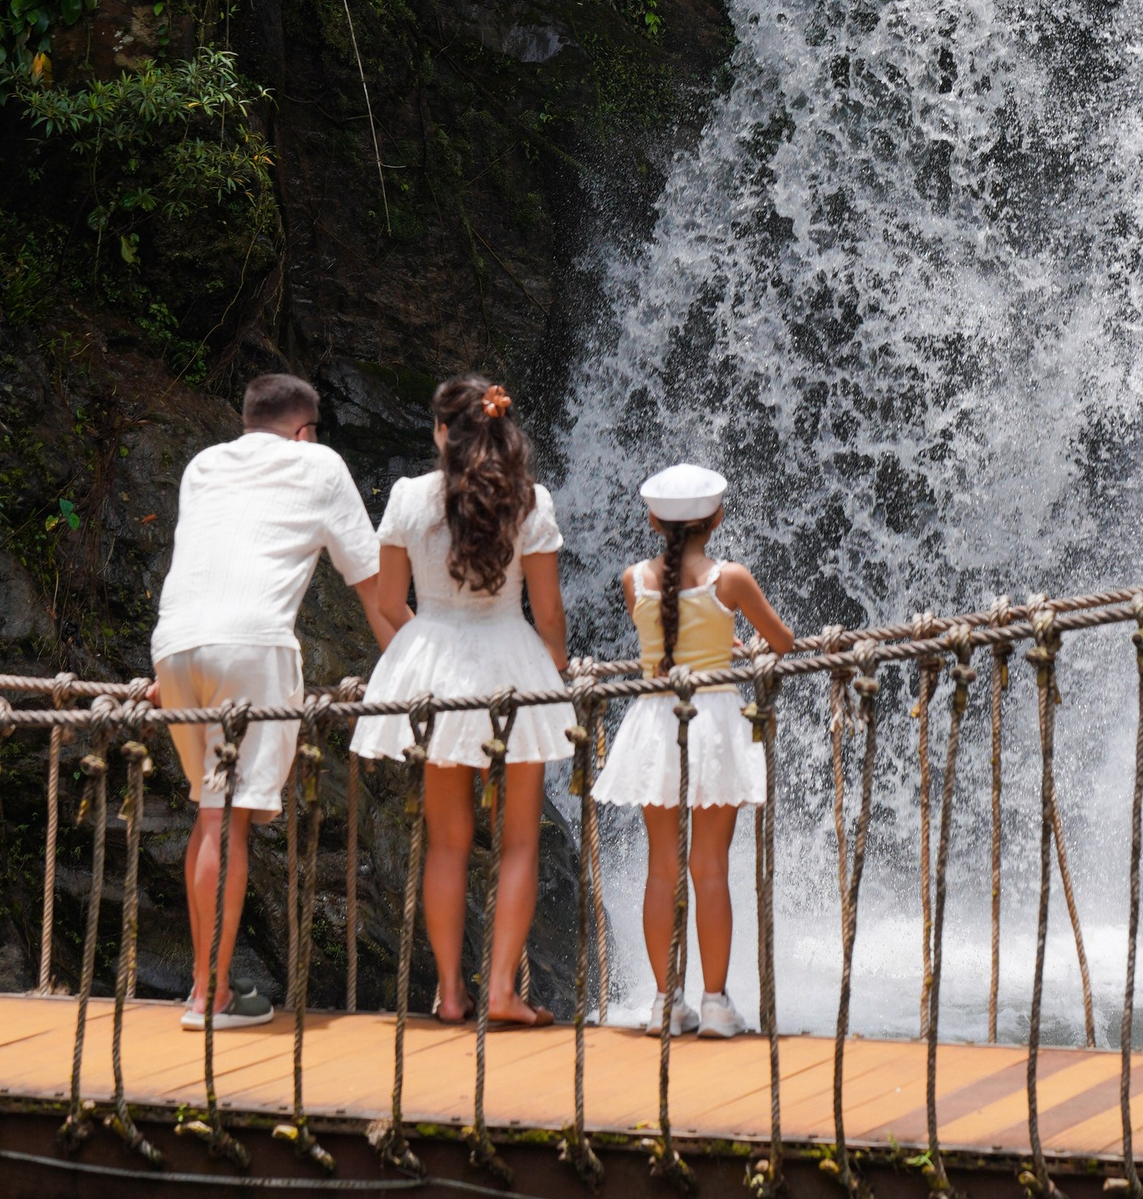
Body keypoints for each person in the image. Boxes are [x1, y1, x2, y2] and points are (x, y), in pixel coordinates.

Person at [150, 370, 385, 1030]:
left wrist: (168, 672)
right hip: (249, 651)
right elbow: (372, 586)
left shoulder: (203, 467)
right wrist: (413, 668)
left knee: (210, 812)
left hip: (174, 647)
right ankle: (208, 997)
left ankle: (210, 990)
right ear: (304, 431)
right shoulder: (320, 464)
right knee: (228, 820)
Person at [353, 374, 570, 1025]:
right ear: (501, 429)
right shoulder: (529, 499)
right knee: (520, 842)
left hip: (437, 665)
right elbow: (550, 612)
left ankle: (450, 994)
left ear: (442, 431)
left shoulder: (410, 498)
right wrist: (551, 671)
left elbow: (391, 605)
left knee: (447, 842)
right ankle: (502, 989)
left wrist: (421, 657)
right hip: (511, 660)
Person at [594, 458, 794, 1037]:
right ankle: (715, 1003)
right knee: (710, 868)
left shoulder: (634, 579)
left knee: (663, 867)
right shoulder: (730, 580)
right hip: (714, 721)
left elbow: (667, 630)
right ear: (719, 517)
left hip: (657, 720)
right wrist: (742, 645)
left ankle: (663, 1002)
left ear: (654, 522)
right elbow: (781, 642)